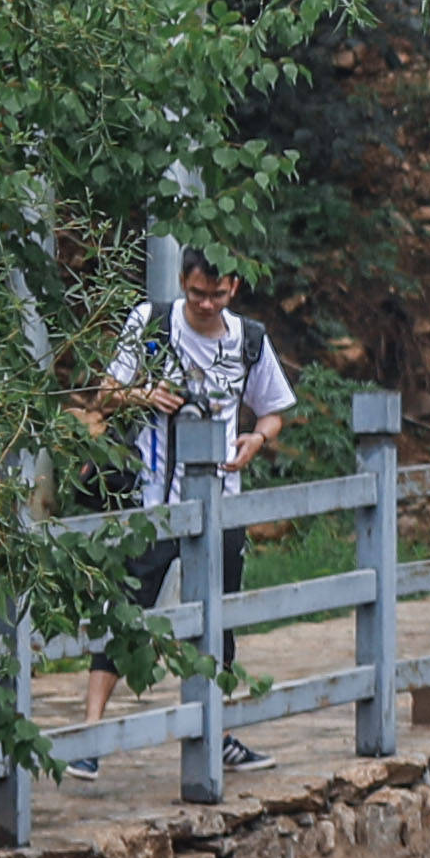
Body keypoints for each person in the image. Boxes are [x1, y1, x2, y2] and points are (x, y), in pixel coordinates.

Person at [91, 259, 294, 707]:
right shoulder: (151, 323)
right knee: (126, 613)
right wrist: (144, 394)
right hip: (154, 502)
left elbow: (273, 411)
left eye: (216, 295)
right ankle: (89, 733)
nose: (205, 304)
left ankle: (214, 734)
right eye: (197, 292)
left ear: (234, 288)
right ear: (182, 281)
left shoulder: (249, 340)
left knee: (218, 621)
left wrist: (257, 438)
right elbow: (104, 396)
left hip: (222, 502)